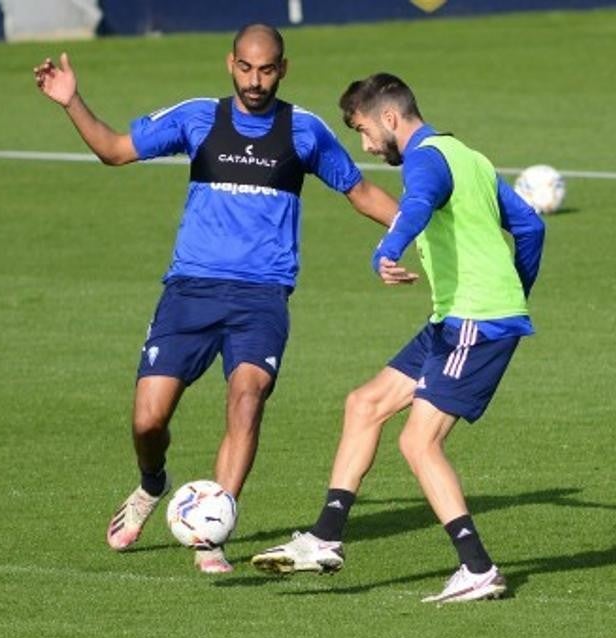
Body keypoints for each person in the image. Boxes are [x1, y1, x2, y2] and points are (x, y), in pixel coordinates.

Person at [33, 26, 398, 573]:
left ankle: (212, 532)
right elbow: (114, 151)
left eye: (267, 69)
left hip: (262, 297)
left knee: (246, 399)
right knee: (147, 423)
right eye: (246, 68)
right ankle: (152, 485)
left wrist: (421, 223)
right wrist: (72, 101)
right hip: (190, 291)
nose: (256, 80)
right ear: (231, 63)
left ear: (284, 68)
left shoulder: (305, 132)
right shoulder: (198, 117)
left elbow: (361, 193)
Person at [250, 73, 546, 603]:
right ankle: (325, 538)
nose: (365, 145)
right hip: (459, 318)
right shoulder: (469, 157)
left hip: (475, 322)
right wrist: (514, 290)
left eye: (364, 131)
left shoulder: (426, 160)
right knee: (364, 404)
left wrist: (387, 250)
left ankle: (478, 568)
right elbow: (530, 227)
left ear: (390, 118)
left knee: (418, 440)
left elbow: (416, 206)